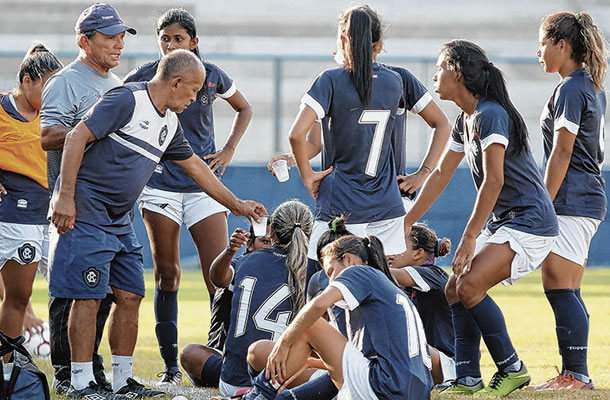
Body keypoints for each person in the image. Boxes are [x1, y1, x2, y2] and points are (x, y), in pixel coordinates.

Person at [48, 49, 266, 399]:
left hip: (119, 219)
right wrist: (65, 197)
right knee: (87, 297)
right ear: (176, 82)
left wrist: (238, 205)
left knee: (131, 294)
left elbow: (196, 168)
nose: (196, 99)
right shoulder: (126, 99)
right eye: (193, 91)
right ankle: (80, 382)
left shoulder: (169, 123)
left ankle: (122, 380)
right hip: (87, 211)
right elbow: (76, 137)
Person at [403, 40, 559, 397]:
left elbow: (494, 180)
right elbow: (441, 173)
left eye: (441, 67)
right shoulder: (466, 118)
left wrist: (470, 237)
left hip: (531, 221)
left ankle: (512, 368)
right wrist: (406, 222)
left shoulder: (490, 114)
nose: (435, 74)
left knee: (469, 285)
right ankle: (468, 378)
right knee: (453, 288)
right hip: (508, 221)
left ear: (457, 71)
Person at [123, 8, 254, 385]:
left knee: (222, 273)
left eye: (178, 39)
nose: (170, 44)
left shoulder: (212, 75)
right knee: (168, 273)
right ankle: (168, 369)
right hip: (160, 185)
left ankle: (228, 357)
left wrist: (228, 150)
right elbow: (115, 104)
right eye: (164, 39)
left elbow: (244, 108)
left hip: (204, 188)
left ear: (194, 42)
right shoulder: (146, 75)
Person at [270, 5, 450, 259]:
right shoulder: (398, 80)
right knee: (379, 286)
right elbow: (442, 124)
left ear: (343, 39)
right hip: (388, 206)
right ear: (379, 44)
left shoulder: (330, 80)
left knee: (321, 280)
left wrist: (307, 176)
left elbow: (297, 135)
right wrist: (423, 173)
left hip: (342, 203)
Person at [39, 3, 135, 393]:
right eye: (109, 37)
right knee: (75, 289)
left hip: (111, 206)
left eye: (121, 36)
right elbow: (47, 136)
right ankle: (67, 374)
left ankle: (92, 368)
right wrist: (94, 127)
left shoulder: (116, 83)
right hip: (75, 203)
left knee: (106, 292)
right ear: (84, 40)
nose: (118, 44)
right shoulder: (66, 81)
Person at [244, 235, 434, 400]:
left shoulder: (360, 272)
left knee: (312, 325)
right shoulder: (386, 290)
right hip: (412, 390)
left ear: (349, 259)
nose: (330, 280)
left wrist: (283, 344)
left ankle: (259, 394)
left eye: (330, 272)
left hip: (386, 387)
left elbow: (317, 306)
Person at [533, 11, 608, 391]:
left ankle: (576, 374)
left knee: (559, 285)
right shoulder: (588, 85)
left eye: (544, 43)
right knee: (568, 287)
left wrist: (542, 203)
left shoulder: (572, 89)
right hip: (584, 196)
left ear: (562, 45)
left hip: (572, 199)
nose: (539, 51)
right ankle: (575, 372)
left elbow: (562, 152)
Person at [179, 200, 312, 398]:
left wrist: (230, 251)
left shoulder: (247, 261)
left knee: (191, 353)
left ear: (272, 232)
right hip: (280, 377)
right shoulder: (312, 270)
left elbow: (217, 278)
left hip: (232, 380)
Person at [0, 43, 62, 366]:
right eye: (46, 88)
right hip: (11, 214)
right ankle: (8, 364)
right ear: (27, 81)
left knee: (67, 293)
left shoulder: (54, 118)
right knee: (16, 297)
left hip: (49, 216)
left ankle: (73, 368)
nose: (52, 97)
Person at [388, 224, 456, 386]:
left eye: (397, 246)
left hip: (447, 366)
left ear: (418, 253)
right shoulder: (403, 284)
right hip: (422, 360)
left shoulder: (433, 274)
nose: (390, 253)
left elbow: (381, 274)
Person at [203, 224, 272, 355]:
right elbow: (219, 278)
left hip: (266, 357)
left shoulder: (287, 272)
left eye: (275, 243)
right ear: (250, 244)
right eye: (265, 242)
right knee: (192, 354)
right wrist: (230, 250)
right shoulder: (239, 266)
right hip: (225, 355)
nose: (271, 249)